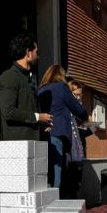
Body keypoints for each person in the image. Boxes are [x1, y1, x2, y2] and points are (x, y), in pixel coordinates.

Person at [37, 66, 88, 194]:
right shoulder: (61, 87)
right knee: (57, 173)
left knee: (46, 173)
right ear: (61, 75)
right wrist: (85, 114)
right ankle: (55, 205)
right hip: (57, 133)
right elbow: (77, 108)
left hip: (42, 133)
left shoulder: (41, 89)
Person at [0, 32, 52, 140]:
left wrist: (41, 122)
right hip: (17, 147)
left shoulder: (29, 77)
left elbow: (27, 111)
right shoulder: (9, 77)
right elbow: (8, 112)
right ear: (28, 53)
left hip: (33, 144)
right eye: (36, 52)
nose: (38, 56)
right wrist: (38, 117)